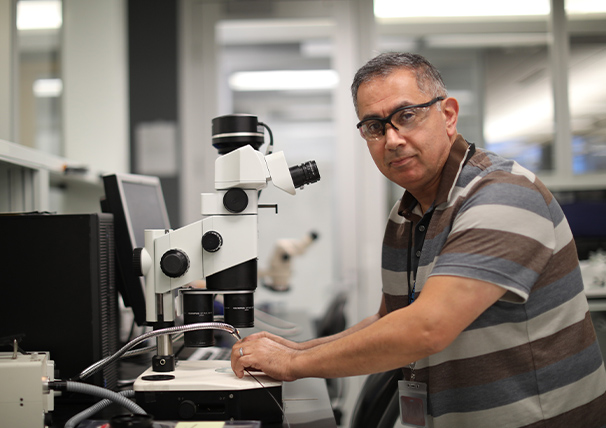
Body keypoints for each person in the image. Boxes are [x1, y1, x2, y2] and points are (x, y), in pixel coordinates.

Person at [230, 52, 606, 427]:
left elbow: (427, 327)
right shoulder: (406, 215)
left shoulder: (503, 194)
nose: (392, 139)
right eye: (375, 126)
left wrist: (294, 364)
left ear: (448, 115)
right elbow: (390, 319)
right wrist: (293, 349)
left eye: (406, 115)